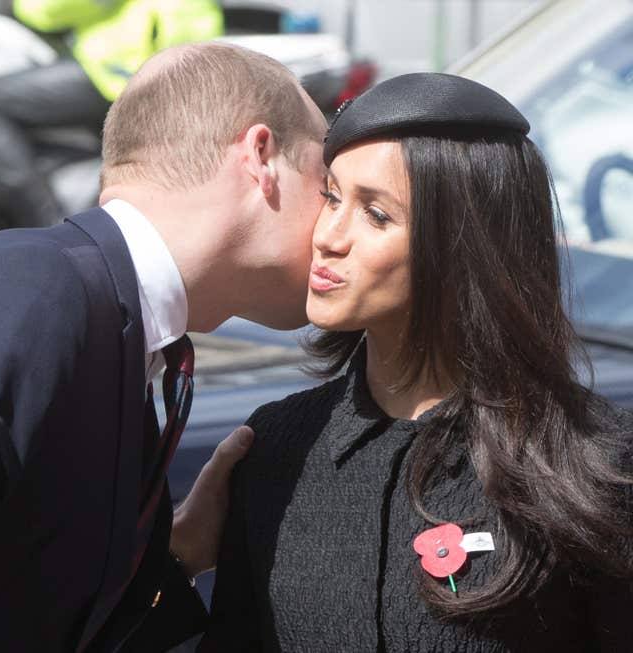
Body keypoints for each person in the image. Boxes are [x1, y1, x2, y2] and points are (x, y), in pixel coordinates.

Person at [205, 73, 633, 652]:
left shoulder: (597, 464)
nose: (329, 237)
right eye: (331, 196)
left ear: (465, 249)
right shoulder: (278, 446)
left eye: (376, 215)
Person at [0, 42, 328, 652]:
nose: (340, 225)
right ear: (262, 157)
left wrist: (177, 557)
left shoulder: (119, 330)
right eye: (329, 184)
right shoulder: (35, 290)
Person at [0, 0, 224, 228]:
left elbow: (47, 12)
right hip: (168, 67)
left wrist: (16, 5)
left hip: (122, 70)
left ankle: (46, 222)